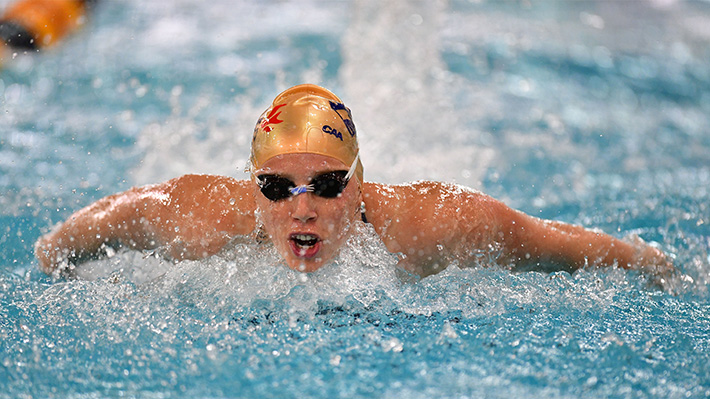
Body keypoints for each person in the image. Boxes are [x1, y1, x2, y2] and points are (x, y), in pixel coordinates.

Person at [34, 84, 674, 279]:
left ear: (361, 184)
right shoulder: (195, 216)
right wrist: (56, 264)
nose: (303, 209)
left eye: (329, 184)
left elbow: (566, 246)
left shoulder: (435, 226)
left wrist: (658, 267)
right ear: (253, 186)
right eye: (279, 188)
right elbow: (64, 242)